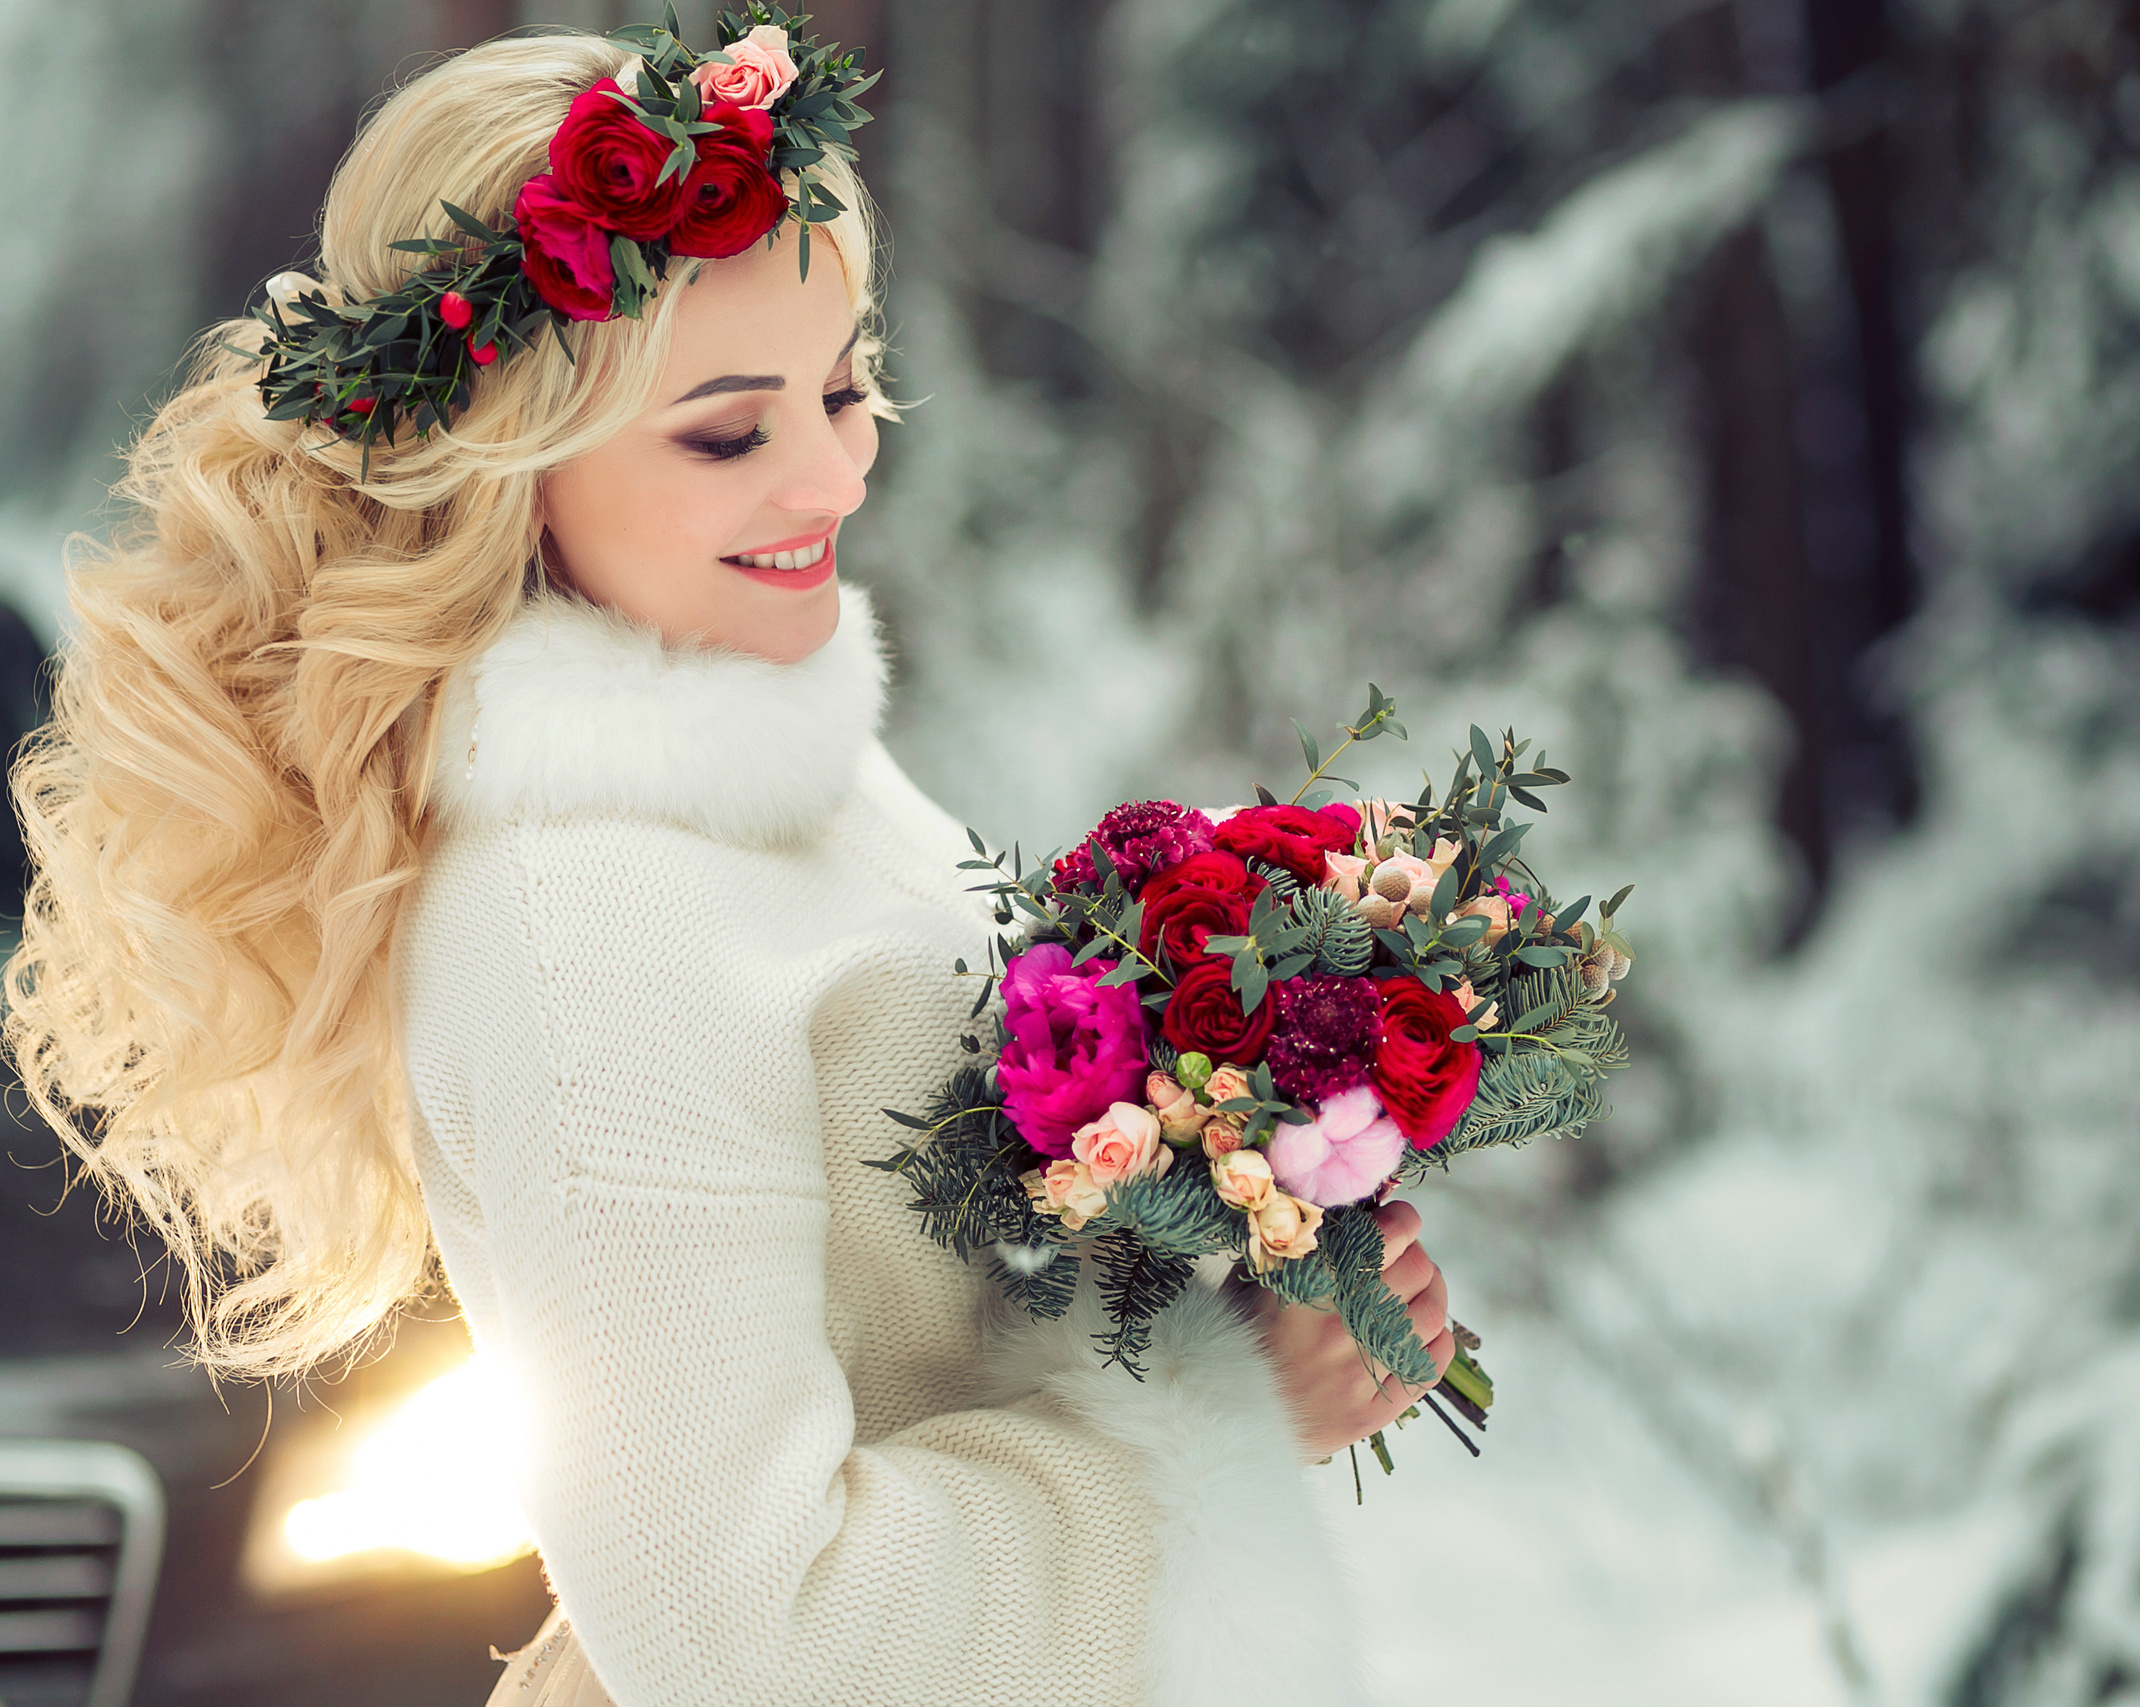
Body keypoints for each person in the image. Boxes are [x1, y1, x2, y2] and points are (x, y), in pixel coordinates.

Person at [7, 28, 1454, 1707]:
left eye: (842, 389)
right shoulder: (589, 917)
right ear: (505, 467)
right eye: (722, 434)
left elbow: (913, 1322)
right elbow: (754, 1636)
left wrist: (1226, 1158)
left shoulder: (761, 759)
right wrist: (1225, 1415)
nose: (834, 475)